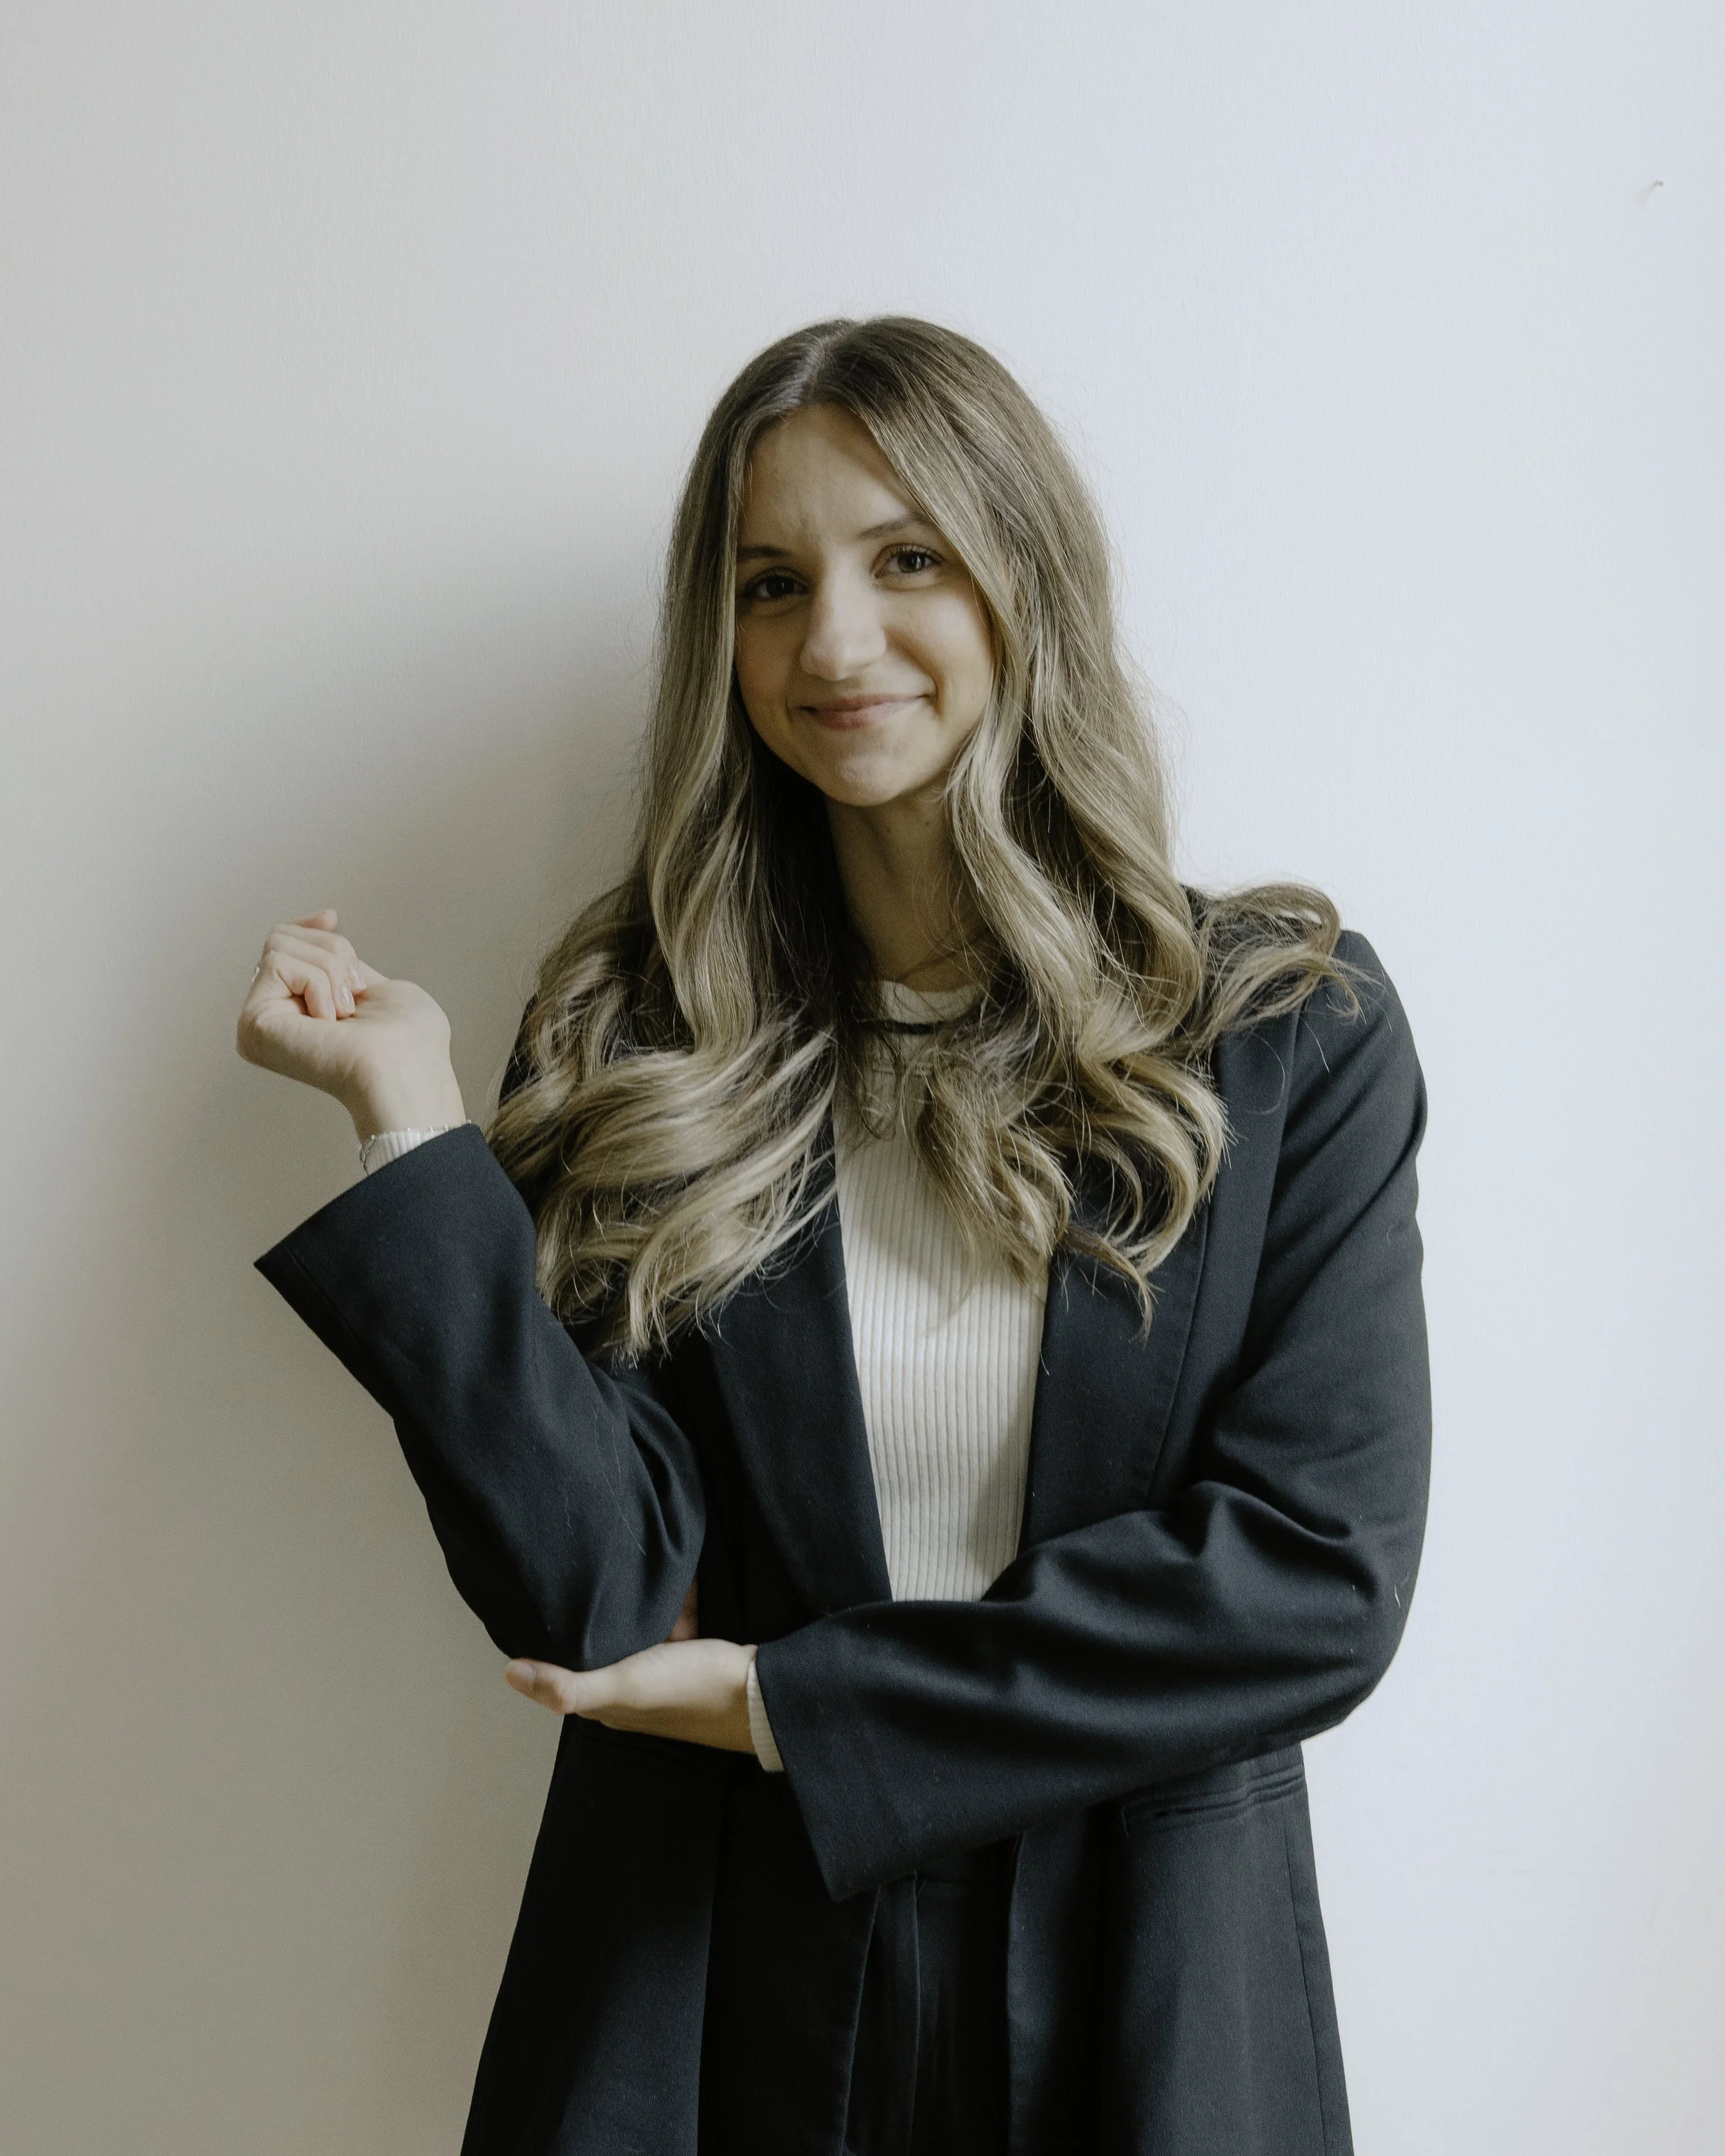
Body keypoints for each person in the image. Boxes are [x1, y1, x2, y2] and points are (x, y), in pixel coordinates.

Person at [237, 317, 1430, 2156]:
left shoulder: (1284, 1030)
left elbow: (1308, 1580)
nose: (833, 645)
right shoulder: (651, 1035)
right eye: (769, 582)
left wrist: (798, 1703)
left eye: (905, 560)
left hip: (1150, 1984)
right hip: (710, 1977)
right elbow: (592, 1600)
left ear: (1019, 584)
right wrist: (411, 1123)